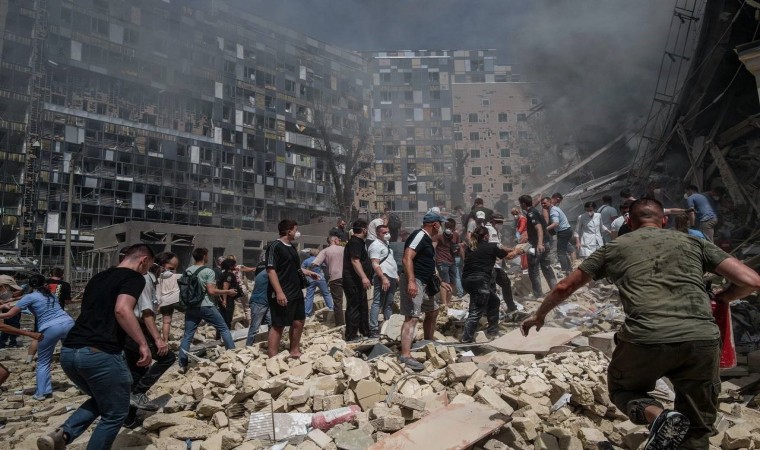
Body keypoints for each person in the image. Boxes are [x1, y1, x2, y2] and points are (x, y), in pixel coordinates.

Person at [520, 198, 760, 450]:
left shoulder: (613, 248)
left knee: (623, 389)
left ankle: (658, 416)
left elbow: (564, 286)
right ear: (663, 220)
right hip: (700, 339)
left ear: (630, 223)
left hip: (646, 337)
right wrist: (725, 296)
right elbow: (751, 280)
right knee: (697, 425)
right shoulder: (694, 242)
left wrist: (540, 315)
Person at [37, 244, 155, 450]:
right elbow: (122, 310)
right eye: (148, 267)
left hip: (70, 352)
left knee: (105, 399)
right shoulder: (134, 277)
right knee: (116, 412)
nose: (146, 272)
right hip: (100, 354)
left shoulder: (98, 277)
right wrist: (143, 343)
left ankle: (62, 435)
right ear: (143, 260)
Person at [0, 274, 74, 400]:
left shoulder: (29, 297)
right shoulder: (51, 295)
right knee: (71, 355)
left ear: (30, 285)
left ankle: (42, 393)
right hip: (69, 323)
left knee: (43, 362)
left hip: (51, 327)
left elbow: (9, 315)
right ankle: (82, 384)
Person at [123, 257, 177, 427]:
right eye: (169, 268)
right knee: (168, 357)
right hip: (138, 327)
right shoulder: (145, 280)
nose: (170, 272)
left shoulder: (145, 279)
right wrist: (158, 339)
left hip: (128, 329)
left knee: (137, 369)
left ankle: (129, 418)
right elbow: (147, 313)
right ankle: (138, 392)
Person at [398, 212, 452, 371]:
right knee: (412, 317)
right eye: (440, 224)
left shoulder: (427, 239)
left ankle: (429, 341)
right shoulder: (419, 235)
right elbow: (407, 258)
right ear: (435, 224)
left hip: (426, 282)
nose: (441, 227)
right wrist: (411, 281)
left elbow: (427, 263)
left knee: (433, 311)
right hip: (415, 280)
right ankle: (405, 354)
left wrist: (440, 282)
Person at [177, 248, 238, 374]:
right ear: (204, 256)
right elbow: (211, 291)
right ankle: (233, 358)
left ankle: (182, 364)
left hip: (191, 306)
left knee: (187, 335)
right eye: (207, 255)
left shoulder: (187, 270)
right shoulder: (208, 271)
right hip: (206, 305)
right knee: (224, 328)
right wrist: (228, 291)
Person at [266, 220, 320, 358]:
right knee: (279, 324)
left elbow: (295, 268)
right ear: (288, 231)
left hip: (296, 290)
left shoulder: (292, 247)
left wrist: (309, 273)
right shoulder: (274, 246)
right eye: (296, 230)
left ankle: (294, 350)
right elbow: (271, 270)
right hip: (283, 291)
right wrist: (279, 292)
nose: (297, 233)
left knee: (299, 320)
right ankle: (272, 356)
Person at [461, 226, 522, 342]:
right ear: (486, 236)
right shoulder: (491, 247)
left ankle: (492, 332)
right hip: (480, 282)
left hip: (466, 281)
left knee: (494, 301)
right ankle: (466, 339)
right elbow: (509, 257)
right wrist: (518, 251)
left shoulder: (471, 247)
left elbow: (501, 250)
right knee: (475, 312)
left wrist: (511, 249)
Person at [518, 194, 557, 298]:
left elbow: (539, 228)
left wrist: (539, 243)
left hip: (535, 246)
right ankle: (556, 291)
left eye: (520, 204)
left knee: (533, 269)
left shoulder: (531, 214)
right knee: (547, 267)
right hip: (546, 243)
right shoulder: (535, 211)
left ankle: (538, 295)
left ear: (523, 204)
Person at [343, 219, 373, 341]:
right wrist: (364, 277)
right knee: (354, 307)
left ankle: (365, 331)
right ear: (364, 229)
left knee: (362, 306)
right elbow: (355, 261)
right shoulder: (355, 242)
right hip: (353, 281)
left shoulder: (360, 242)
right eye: (367, 229)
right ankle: (351, 335)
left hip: (358, 282)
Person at [368, 224, 399, 338]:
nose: (387, 234)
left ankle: (388, 327)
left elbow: (390, 260)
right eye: (384, 232)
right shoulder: (375, 245)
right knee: (378, 302)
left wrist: (396, 275)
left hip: (392, 276)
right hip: (383, 276)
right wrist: (383, 277)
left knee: (389, 303)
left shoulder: (386, 244)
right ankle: (373, 328)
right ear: (377, 233)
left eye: (388, 232)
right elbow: (375, 263)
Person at [311, 236, 346, 326]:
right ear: (334, 240)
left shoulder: (325, 251)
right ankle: (352, 322)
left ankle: (340, 324)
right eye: (338, 239)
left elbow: (315, 263)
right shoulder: (344, 249)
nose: (339, 241)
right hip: (347, 277)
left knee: (338, 302)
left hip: (334, 277)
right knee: (351, 300)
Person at [488, 214, 519, 312]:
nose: (500, 224)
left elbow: (499, 245)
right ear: (492, 221)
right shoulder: (490, 230)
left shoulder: (496, 230)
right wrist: (513, 253)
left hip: (495, 264)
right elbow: (495, 248)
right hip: (489, 264)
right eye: (498, 222)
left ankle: (511, 307)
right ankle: (489, 312)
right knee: (492, 288)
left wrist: (511, 249)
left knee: (505, 283)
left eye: (501, 222)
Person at [542, 195, 573, 276]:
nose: (543, 205)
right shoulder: (555, 208)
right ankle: (569, 269)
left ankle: (565, 270)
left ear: (550, 201)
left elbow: (556, 223)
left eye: (544, 203)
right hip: (566, 231)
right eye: (542, 204)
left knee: (561, 252)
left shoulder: (553, 210)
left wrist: (544, 229)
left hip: (563, 232)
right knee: (563, 252)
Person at [433, 218, 460, 307]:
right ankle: (444, 304)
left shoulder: (456, 235)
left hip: (452, 261)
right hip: (441, 261)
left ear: (454, 227)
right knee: (445, 282)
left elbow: (458, 247)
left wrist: (457, 250)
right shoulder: (439, 236)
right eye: (447, 226)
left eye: (451, 227)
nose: (449, 229)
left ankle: (448, 302)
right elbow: (432, 247)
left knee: (453, 282)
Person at [154, 252, 180, 343]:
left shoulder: (157, 276)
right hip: (169, 301)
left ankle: (157, 339)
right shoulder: (173, 276)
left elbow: (157, 290)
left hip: (160, 300)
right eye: (172, 268)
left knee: (153, 320)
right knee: (167, 321)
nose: (174, 270)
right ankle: (165, 340)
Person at [302, 248, 334, 316]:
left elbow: (302, 269)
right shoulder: (320, 260)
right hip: (320, 278)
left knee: (309, 296)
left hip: (310, 279)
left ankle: (307, 313)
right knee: (326, 294)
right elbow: (325, 269)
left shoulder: (306, 261)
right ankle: (331, 308)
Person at [245, 262, 271, 346]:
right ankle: (248, 347)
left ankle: (270, 344)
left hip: (264, 302)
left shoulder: (262, 273)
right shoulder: (268, 273)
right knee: (255, 327)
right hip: (259, 302)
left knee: (271, 324)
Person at [0, 275, 25, 348]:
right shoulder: (4, 292)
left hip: (10, 308)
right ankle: (12, 342)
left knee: (8, 326)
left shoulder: (6, 291)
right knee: (12, 326)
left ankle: (3, 343)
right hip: (9, 309)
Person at [216, 258, 241, 333]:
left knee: (222, 320)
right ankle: (226, 336)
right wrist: (224, 300)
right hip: (228, 300)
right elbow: (225, 287)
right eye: (234, 265)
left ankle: (219, 336)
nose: (235, 266)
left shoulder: (222, 274)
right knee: (227, 320)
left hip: (221, 299)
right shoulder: (229, 275)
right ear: (230, 266)